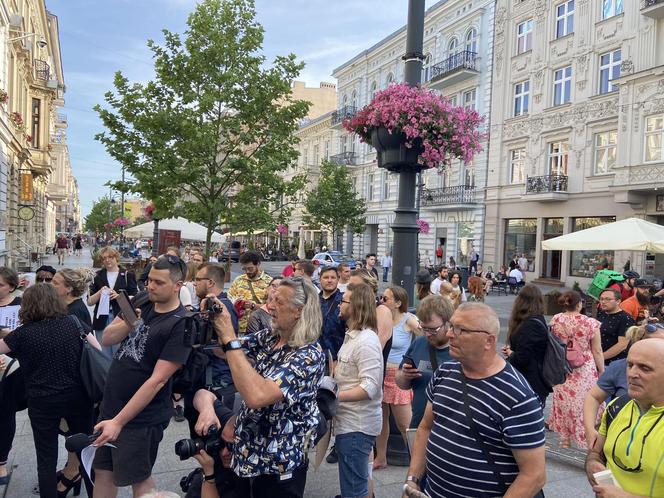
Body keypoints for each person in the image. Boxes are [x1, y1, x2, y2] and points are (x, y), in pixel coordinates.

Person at [404, 302, 546, 497]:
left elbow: (534, 475)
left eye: (461, 330)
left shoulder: (517, 396)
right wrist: (413, 479)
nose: (449, 334)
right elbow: (425, 427)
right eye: (452, 326)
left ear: (489, 341)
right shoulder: (445, 372)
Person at [208, 277, 325, 497]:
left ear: (299, 311)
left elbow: (256, 396)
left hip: (278, 469)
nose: (269, 306)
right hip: (249, 458)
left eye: (278, 302)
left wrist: (228, 335)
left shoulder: (309, 354)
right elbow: (225, 349)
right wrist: (211, 323)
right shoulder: (272, 337)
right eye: (270, 299)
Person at [92, 255, 193, 497]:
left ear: (178, 285)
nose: (151, 286)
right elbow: (106, 338)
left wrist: (119, 422)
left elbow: (157, 381)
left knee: (139, 478)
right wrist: (129, 323)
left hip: (140, 418)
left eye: (159, 282)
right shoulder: (143, 300)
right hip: (111, 406)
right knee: (103, 471)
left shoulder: (182, 324)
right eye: (149, 280)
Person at [0, 284, 94, 498]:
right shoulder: (73, 322)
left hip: (42, 402)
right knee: (87, 451)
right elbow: (96, 349)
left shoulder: (22, 334)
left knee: (46, 457)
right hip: (78, 397)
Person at [585, 339, 664, 497]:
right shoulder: (618, 406)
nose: (632, 374)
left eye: (645, 368)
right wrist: (592, 463)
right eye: (630, 365)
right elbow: (596, 452)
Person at [335, 282, 383, 498]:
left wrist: (333, 396)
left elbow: (369, 387)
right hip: (349, 424)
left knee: (354, 490)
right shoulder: (353, 336)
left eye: (343, 300)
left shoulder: (366, 341)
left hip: (357, 426)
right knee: (353, 485)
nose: (339, 304)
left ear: (355, 306)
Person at [583, 323, 664, 448]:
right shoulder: (620, 367)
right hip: (618, 444)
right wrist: (589, 429)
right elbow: (594, 396)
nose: (633, 373)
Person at [548, 291, 605, 449]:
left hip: (563, 365)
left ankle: (564, 439)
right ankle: (585, 437)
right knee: (584, 403)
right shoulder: (590, 323)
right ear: (579, 304)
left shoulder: (556, 319)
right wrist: (602, 370)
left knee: (565, 403)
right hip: (584, 368)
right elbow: (597, 350)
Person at [374, 286, 419, 470]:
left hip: (396, 375)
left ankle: (418, 463)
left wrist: (414, 360)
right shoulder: (382, 317)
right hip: (380, 372)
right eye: (381, 298)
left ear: (398, 303)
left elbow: (427, 336)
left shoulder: (408, 319)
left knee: (405, 424)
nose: (381, 301)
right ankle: (381, 458)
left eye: (386, 299)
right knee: (381, 420)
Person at [396, 295, 453, 428]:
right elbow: (401, 383)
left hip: (447, 431)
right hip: (419, 425)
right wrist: (404, 376)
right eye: (423, 328)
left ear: (448, 323)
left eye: (433, 329)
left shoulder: (461, 351)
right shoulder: (419, 343)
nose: (427, 334)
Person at [87, 246, 138, 358]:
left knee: (119, 351)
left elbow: (135, 297)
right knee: (102, 353)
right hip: (101, 319)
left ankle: (116, 374)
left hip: (120, 317)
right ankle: (104, 375)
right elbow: (89, 301)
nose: (107, 260)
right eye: (104, 258)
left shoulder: (127, 275)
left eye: (110, 257)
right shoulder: (97, 276)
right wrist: (100, 292)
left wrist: (120, 296)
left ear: (116, 258)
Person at [503, 284, 549, 406]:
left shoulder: (531, 324)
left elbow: (523, 358)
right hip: (526, 380)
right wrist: (511, 349)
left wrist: (511, 353)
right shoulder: (533, 319)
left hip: (529, 382)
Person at [0, 268, 22, 488]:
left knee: (5, 412)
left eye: (0, 285)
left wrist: (8, 334)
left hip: (10, 367)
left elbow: (26, 335)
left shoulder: (20, 303)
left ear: (11, 286)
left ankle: (2, 460)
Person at [227, 251, 272, 334]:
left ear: (258, 264)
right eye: (244, 269)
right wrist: (236, 304)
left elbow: (273, 307)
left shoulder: (269, 282)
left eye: (250, 268)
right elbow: (229, 299)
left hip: (259, 329)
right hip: (238, 328)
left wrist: (254, 305)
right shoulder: (238, 280)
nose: (247, 271)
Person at [597, 288, 635, 366]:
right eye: (601, 299)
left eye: (608, 299)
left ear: (618, 301)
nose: (603, 302)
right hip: (598, 359)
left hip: (614, 364)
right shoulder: (602, 313)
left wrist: (600, 357)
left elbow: (622, 345)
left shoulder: (626, 318)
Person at [318, 267, 346, 363]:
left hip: (337, 359)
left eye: (333, 277)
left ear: (338, 279)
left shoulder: (345, 301)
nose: (329, 280)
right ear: (320, 279)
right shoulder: (312, 301)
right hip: (314, 357)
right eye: (326, 277)